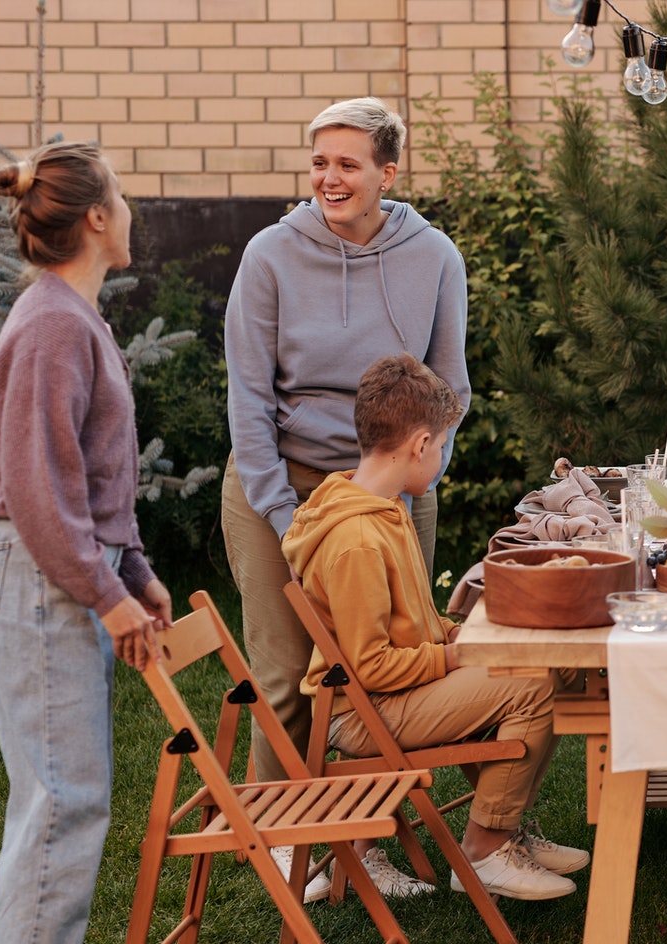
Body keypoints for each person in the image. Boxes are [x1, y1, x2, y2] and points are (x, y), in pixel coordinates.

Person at [223, 97, 472, 900]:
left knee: (388, 673)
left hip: (393, 489)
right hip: (283, 487)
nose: (329, 178)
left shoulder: (434, 256)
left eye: (347, 163)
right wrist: (292, 519)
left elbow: (451, 387)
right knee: (284, 674)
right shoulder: (270, 255)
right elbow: (249, 402)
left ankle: (367, 849)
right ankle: (289, 853)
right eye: (319, 162)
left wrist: (414, 478)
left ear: (387, 172)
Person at [0, 142, 168, 944]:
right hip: (41, 577)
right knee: (64, 794)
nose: (129, 211)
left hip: (56, 568)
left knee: (49, 788)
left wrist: (134, 567)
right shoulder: (53, 324)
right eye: (120, 198)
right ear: (94, 218)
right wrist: (106, 595)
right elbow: (43, 495)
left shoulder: (67, 315)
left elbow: (89, 479)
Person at [282, 354, 587, 900]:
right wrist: (455, 657)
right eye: (442, 445)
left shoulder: (385, 508)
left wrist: (456, 633)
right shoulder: (356, 540)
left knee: (556, 659)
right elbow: (369, 665)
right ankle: (484, 849)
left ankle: (508, 829)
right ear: (420, 444)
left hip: (397, 689)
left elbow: (411, 622)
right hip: (360, 714)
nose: (441, 457)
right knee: (531, 684)